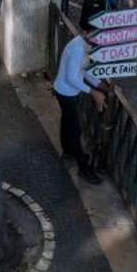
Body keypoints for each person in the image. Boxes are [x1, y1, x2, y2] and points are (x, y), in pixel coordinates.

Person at [52, 28, 105, 183]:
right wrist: (93, 92)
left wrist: (100, 84)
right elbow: (71, 78)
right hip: (65, 92)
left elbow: (84, 70)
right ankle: (83, 167)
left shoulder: (85, 45)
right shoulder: (77, 48)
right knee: (75, 130)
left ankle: (67, 151)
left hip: (66, 91)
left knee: (68, 123)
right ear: (85, 32)